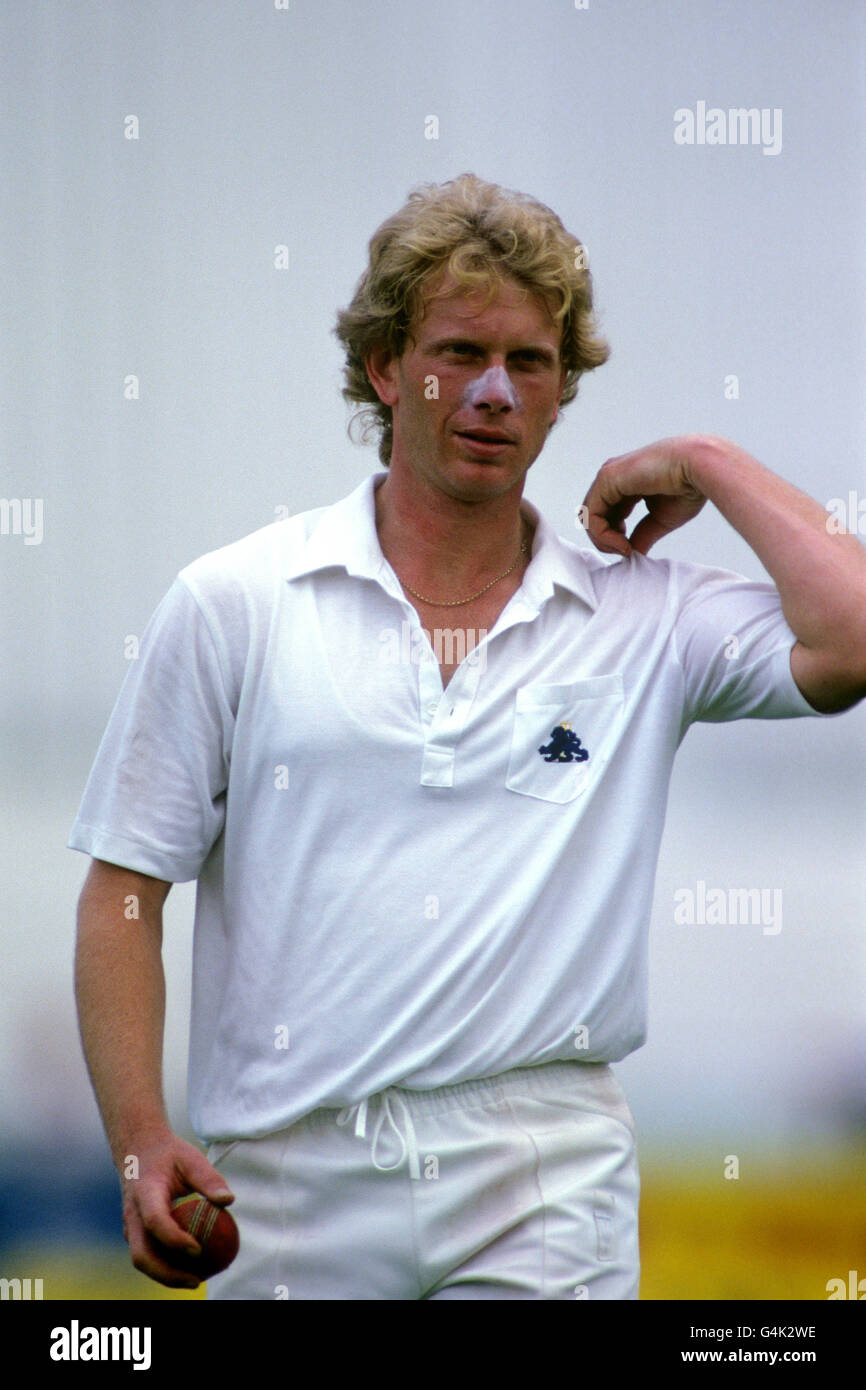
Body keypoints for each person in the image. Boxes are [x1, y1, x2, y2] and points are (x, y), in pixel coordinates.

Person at [70, 173, 866, 1301]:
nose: (492, 391)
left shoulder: (645, 609)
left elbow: (852, 639)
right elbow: (123, 889)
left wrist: (706, 459)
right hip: (288, 1184)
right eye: (458, 351)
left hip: (544, 1175)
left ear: (560, 394)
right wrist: (142, 1138)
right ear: (386, 367)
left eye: (530, 363)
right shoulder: (235, 599)